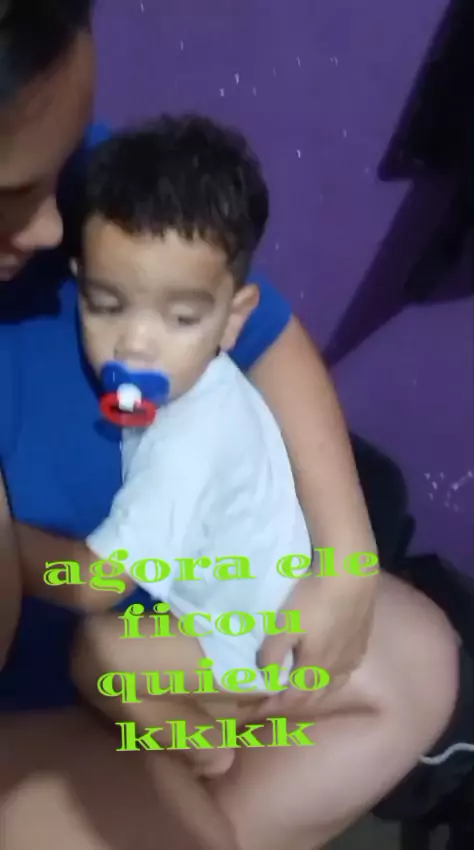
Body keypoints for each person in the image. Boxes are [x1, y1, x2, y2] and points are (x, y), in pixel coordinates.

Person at [0, 2, 463, 849]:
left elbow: (271, 338)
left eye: (59, 166)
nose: (55, 229)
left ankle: (191, 774)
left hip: (182, 620)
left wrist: (349, 564)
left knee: (417, 659)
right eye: (13, 193)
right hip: (66, 683)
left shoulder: (97, 190)